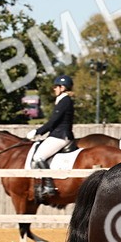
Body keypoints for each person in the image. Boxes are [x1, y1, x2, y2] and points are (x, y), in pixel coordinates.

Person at [28, 74, 75, 202]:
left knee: (38, 157)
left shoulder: (65, 101)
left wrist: (37, 132)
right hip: (58, 134)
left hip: (60, 136)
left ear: (62, 87)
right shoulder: (62, 100)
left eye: (56, 87)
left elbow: (53, 122)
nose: (54, 89)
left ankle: (49, 186)